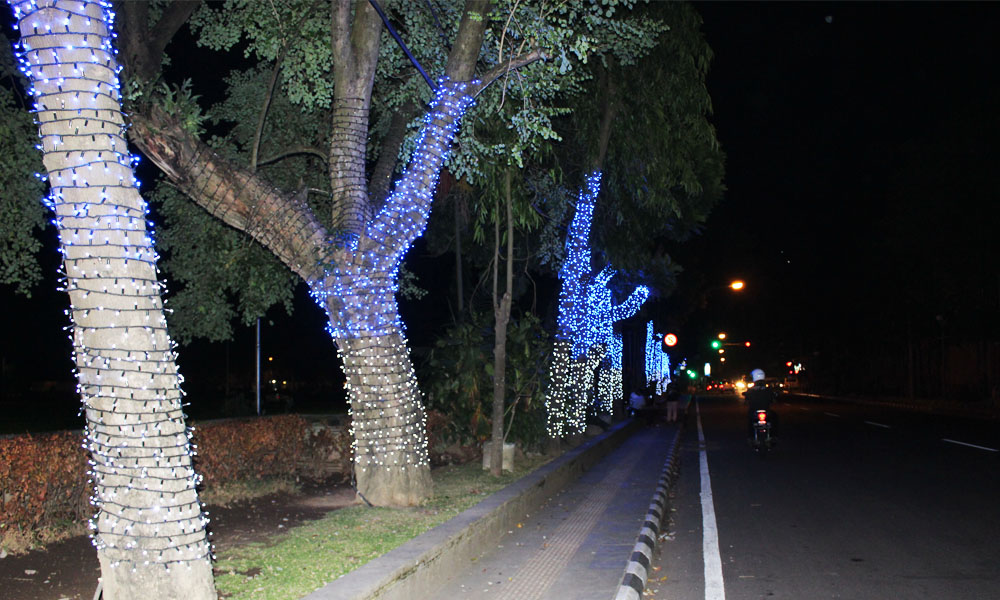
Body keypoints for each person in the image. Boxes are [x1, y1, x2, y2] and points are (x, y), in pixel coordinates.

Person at [745, 368, 777, 437]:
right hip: (766, 410)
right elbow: (773, 398)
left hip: (754, 410)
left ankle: (751, 436)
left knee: (750, 421)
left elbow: (747, 399)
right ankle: (773, 435)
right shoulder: (767, 388)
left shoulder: (751, 389)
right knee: (774, 419)